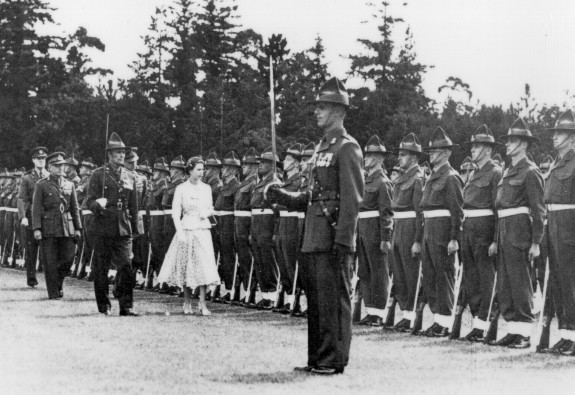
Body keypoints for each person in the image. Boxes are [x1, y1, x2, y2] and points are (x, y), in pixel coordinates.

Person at [269, 77, 364, 375]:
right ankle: (318, 358)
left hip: (332, 235)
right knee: (318, 302)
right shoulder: (321, 147)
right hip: (313, 235)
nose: (316, 112)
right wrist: (284, 196)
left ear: (338, 110)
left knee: (334, 300)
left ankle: (334, 359)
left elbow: (352, 199)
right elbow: (312, 195)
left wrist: (344, 241)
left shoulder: (347, 148)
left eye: (322, 107)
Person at [490, 117, 545, 349]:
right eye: (508, 140)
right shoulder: (507, 171)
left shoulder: (530, 172)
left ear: (523, 144)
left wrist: (536, 242)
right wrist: (495, 239)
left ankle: (524, 333)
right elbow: (500, 209)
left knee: (521, 281)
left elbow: (538, 210)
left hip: (519, 230)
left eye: (512, 141)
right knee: (505, 283)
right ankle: (512, 329)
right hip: (504, 230)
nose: (508, 145)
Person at [456, 125, 502, 342]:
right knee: (471, 277)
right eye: (473, 145)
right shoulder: (472, 173)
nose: (473, 149)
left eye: (477, 146)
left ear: (487, 149)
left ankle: (485, 321)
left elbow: (498, 208)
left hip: (485, 227)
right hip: (469, 228)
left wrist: (495, 239)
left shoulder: (495, 172)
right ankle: (477, 322)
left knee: (486, 277)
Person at [85, 132, 139, 316]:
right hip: (103, 225)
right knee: (102, 267)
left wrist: (136, 228)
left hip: (123, 225)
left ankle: (126, 305)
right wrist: (97, 205)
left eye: (123, 152)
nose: (121, 155)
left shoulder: (130, 176)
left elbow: (134, 205)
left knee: (125, 266)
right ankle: (104, 305)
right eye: (117, 152)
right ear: (109, 155)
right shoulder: (98, 175)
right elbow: (88, 201)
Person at [158, 156, 219, 315]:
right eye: (198, 169)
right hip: (186, 229)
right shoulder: (181, 188)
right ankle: (187, 302)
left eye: (202, 170)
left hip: (202, 229)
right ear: (190, 170)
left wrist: (203, 213)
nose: (201, 173)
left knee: (203, 266)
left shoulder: (206, 188)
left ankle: (203, 303)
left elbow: (209, 207)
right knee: (186, 265)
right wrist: (180, 232)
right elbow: (176, 213)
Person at [419, 127, 464, 337]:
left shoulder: (451, 177)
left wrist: (454, 237)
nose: (431, 154)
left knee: (444, 274)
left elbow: (457, 210)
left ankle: (444, 321)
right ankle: (437, 318)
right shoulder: (432, 177)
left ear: (446, 153)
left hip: (443, 229)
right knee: (429, 275)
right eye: (431, 151)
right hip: (429, 228)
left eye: (436, 151)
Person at [540, 109, 575, 355]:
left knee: (570, 281)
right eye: (554, 133)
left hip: (569, 224)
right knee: (558, 282)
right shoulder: (555, 164)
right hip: (553, 222)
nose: (555, 137)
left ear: (572, 137)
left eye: (561, 133)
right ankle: (565, 334)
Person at [31, 152, 82, 299]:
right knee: (50, 261)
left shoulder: (69, 184)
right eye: (57, 166)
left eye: (62, 165)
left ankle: (58, 282)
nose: (61, 168)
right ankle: (53, 292)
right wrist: (37, 228)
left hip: (67, 226)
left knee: (68, 258)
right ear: (50, 167)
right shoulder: (41, 184)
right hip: (49, 227)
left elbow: (75, 207)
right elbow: (36, 208)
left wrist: (78, 228)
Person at [355, 135, 393, 327]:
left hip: (375, 230)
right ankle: (370, 310)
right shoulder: (365, 180)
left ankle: (378, 312)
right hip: (362, 228)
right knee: (365, 271)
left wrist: (385, 237)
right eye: (366, 154)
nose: (366, 158)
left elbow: (386, 213)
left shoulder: (383, 182)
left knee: (378, 271)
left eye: (370, 155)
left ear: (379, 158)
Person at [388, 133, 425, 333]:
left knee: (411, 273)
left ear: (413, 157)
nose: (399, 158)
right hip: (398, 226)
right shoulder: (402, 179)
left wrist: (418, 240)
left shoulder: (417, 179)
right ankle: (405, 314)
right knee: (400, 273)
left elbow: (420, 213)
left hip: (410, 227)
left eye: (403, 155)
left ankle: (412, 315)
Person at [250, 146, 281, 310]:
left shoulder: (274, 183)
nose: (260, 165)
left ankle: (273, 295)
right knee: (259, 258)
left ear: (272, 165)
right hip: (257, 220)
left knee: (268, 259)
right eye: (260, 162)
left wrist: (276, 231)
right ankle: (265, 295)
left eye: (264, 162)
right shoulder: (261, 182)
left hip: (267, 221)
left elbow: (277, 211)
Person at [274, 143, 303, 314]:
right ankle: (289, 298)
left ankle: (296, 300)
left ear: (297, 163)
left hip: (292, 223)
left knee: (291, 262)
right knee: (283, 263)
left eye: (288, 159)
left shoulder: (298, 181)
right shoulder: (285, 182)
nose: (284, 162)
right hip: (282, 223)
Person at [17, 147, 49, 287]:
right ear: (33, 160)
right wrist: (22, 216)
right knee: (32, 249)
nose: (41, 161)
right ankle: (31, 279)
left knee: (48, 249)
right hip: (31, 216)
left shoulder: (49, 175)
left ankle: (50, 280)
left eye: (43, 159)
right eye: (39, 159)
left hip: (47, 217)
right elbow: (21, 199)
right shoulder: (27, 178)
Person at [213, 151, 241, 303]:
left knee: (230, 258)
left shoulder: (236, 186)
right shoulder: (224, 187)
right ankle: (228, 288)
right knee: (224, 258)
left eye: (226, 167)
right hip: (221, 225)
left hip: (230, 225)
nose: (222, 170)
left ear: (234, 170)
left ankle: (233, 290)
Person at [233, 148, 259, 306]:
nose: (243, 167)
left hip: (247, 223)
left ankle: (251, 291)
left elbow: (252, 208)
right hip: (239, 223)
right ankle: (245, 290)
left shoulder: (254, 183)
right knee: (242, 259)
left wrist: (251, 231)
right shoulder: (244, 183)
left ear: (254, 167)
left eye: (247, 165)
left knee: (248, 260)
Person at [146, 158, 170, 289]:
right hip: (153, 220)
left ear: (162, 173)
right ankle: (158, 277)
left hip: (160, 221)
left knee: (160, 251)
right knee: (155, 250)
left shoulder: (164, 187)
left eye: (157, 171)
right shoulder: (156, 187)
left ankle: (163, 279)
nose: (154, 172)